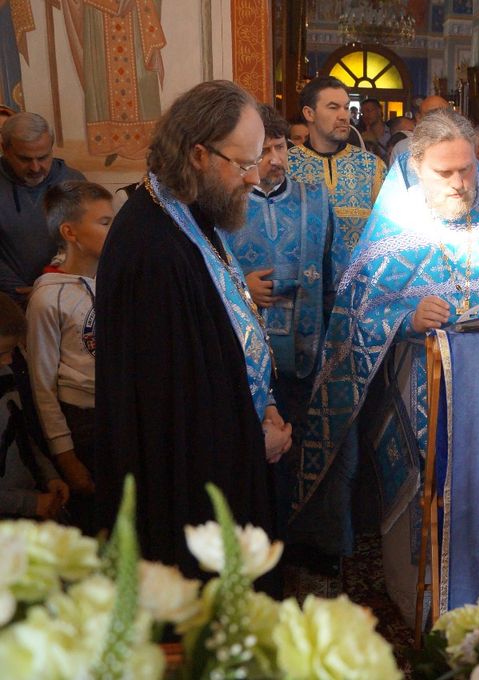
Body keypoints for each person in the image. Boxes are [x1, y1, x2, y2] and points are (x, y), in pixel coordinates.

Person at [297, 109, 479, 624]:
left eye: (468, 169)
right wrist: (406, 318)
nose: (461, 183)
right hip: (418, 393)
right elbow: (354, 319)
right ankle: (422, 602)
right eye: (445, 172)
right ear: (416, 168)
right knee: (427, 499)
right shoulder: (392, 230)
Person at [94, 81, 291, 575]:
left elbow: (225, 330)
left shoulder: (186, 214)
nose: (254, 178)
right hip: (190, 497)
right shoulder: (152, 249)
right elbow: (174, 408)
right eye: (244, 164)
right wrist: (251, 441)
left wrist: (264, 401)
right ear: (199, 155)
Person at [220, 104, 334, 541]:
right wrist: (244, 287)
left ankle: (292, 541)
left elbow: (334, 270)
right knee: (252, 458)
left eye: (280, 147)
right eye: (264, 150)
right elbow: (209, 273)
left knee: (298, 449)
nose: (275, 159)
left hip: (304, 351)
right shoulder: (225, 202)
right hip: (242, 358)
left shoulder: (314, 197)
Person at [25, 180, 112, 532]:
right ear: (70, 232)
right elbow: (42, 384)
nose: (114, 230)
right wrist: (66, 456)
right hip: (83, 425)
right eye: (104, 222)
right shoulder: (48, 298)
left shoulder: (115, 279)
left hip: (120, 413)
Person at [288, 77, 386, 276]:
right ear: (309, 113)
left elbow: (387, 232)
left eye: (346, 108)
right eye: (333, 108)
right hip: (303, 283)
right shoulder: (287, 165)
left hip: (358, 283)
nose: (344, 116)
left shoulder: (371, 166)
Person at [0, 292, 70, 520]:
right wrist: (30, 503)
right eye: (2, 353)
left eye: (12, 351)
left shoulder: (5, 375)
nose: (9, 361)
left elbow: (21, 434)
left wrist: (49, 476)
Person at [0, 113, 85, 300]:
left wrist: (51, 290)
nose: (36, 167)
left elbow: (88, 243)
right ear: (5, 149)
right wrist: (19, 290)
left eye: (43, 157)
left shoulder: (74, 183)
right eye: (24, 159)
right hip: (8, 301)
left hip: (65, 297)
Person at [389, 95, 451, 165]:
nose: (438, 118)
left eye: (444, 113)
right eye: (431, 114)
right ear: (418, 118)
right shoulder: (403, 149)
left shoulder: (459, 146)